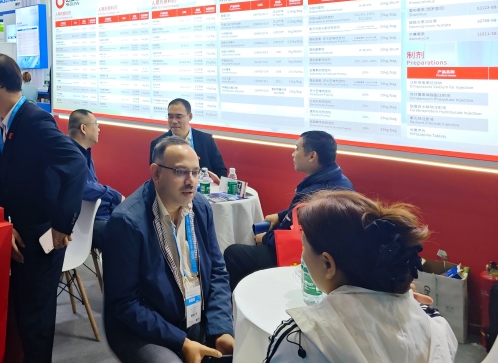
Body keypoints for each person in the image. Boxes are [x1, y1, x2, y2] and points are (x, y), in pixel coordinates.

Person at [0, 54, 86, 363]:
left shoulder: (34, 120)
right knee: (23, 313)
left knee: (36, 318)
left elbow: (76, 165)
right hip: (18, 228)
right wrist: (5, 224)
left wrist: (62, 225)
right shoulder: (2, 121)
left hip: (43, 234)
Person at [265, 190, 457, 362]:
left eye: (304, 247)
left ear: (328, 264)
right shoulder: (437, 327)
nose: (303, 257)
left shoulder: (300, 342)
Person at [103, 136, 234, 363]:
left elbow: (217, 272)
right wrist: (182, 342)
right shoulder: (127, 222)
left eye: (195, 172)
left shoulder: (200, 207)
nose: (191, 181)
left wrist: (221, 329)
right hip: (144, 328)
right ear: (156, 173)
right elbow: (125, 304)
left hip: (193, 316)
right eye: (181, 172)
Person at [223, 130, 353, 292]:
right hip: (329, 253)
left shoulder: (314, 194)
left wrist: (265, 238)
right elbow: (296, 213)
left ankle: (238, 300)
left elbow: (291, 234)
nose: (293, 154)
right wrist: (279, 216)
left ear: (312, 156)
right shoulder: (339, 180)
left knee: (234, 253)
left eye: (297, 149)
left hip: (307, 256)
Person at [66, 109, 123, 250]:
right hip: (82, 222)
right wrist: (113, 195)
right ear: (83, 128)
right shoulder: (68, 153)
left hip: (98, 213)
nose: (99, 129)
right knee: (126, 237)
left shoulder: (84, 152)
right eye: (96, 124)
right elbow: (81, 187)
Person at [150, 98, 226, 180]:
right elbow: (156, 175)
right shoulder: (158, 144)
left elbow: (220, 171)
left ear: (190, 116)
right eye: (170, 117)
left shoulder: (206, 140)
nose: (174, 121)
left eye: (179, 117)